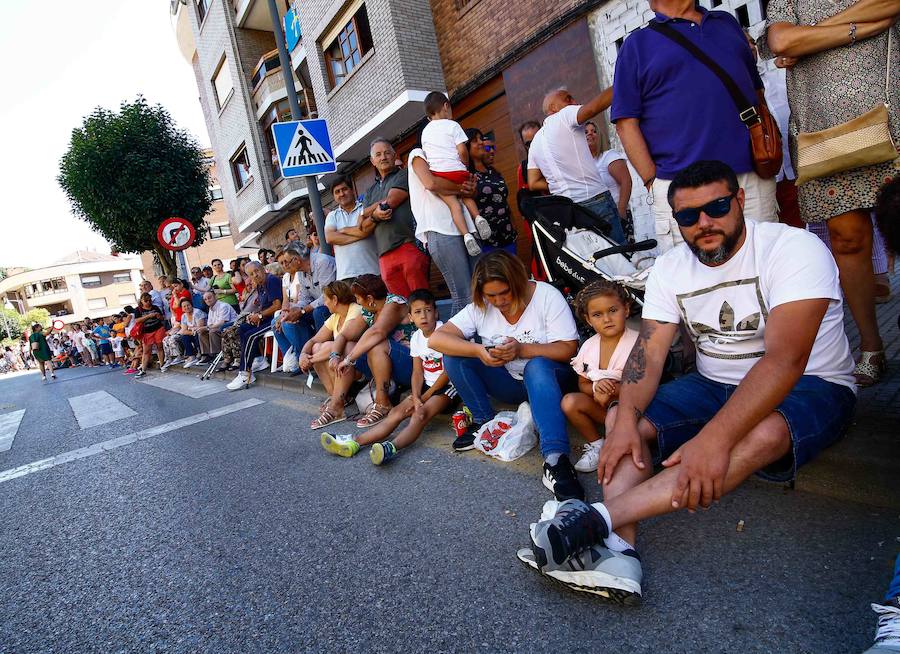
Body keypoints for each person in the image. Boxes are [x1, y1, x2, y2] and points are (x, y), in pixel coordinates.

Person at [518, 161, 856, 604]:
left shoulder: (793, 248)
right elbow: (649, 355)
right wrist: (623, 423)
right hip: (713, 385)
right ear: (676, 220)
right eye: (689, 216)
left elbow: (785, 361)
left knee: (764, 432)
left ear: (740, 200)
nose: (704, 223)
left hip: (812, 383)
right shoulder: (671, 267)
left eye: (717, 207)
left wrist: (714, 440)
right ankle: (619, 552)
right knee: (622, 417)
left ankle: (596, 520)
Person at [765, 1, 898, 386]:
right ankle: (871, 346)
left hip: (892, 118)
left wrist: (809, 38)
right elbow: (781, 40)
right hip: (822, 134)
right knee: (847, 239)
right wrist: (861, 28)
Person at [612, 0, 779, 254]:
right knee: (697, 275)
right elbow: (626, 123)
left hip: (749, 178)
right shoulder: (637, 45)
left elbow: (756, 92)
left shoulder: (726, 24)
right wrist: (652, 183)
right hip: (682, 188)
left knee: (765, 262)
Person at [429, 251, 582, 499]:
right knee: (454, 356)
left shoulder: (546, 296)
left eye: (505, 292)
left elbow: (568, 349)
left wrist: (522, 350)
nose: (499, 301)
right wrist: (479, 351)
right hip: (511, 382)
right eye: (491, 295)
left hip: (551, 381)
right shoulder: (481, 307)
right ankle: (484, 421)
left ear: (518, 281)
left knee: (536, 366)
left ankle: (556, 458)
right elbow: (437, 339)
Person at [320, 289, 459, 465]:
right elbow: (417, 372)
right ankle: (354, 442)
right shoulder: (416, 337)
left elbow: (448, 373)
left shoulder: (444, 332)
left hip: (447, 388)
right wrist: (416, 396)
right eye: (417, 312)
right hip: (425, 388)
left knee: (420, 415)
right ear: (410, 317)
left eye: (428, 310)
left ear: (436, 313)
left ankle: (390, 447)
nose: (423, 316)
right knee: (396, 412)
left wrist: (422, 399)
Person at [309, 274, 415, 430]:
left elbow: (377, 332)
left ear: (370, 298)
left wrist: (348, 359)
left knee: (377, 344)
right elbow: (344, 335)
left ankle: (382, 404)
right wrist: (335, 355)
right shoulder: (369, 310)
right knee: (347, 346)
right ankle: (336, 406)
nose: (357, 302)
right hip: (385, 363)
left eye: (358, 298)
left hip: (411, 364)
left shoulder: (394, 303)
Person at [527, 86, 627, 244]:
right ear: (553, 108)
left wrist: (560, 183)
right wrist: (623, 81)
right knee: (620, 254)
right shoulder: (564, 115)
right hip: (595, 201)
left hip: (566, 211)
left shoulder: (535, 142)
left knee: (592, 257)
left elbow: (533, 182)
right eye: (567, 98)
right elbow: (592, 108)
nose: (574, 101)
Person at [562, 280, 640, 473]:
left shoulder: (638, 343)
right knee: (570, 402)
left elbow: (643, 388)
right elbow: (583, 384)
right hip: (602, 408)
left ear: (626, 309)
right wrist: (596, 387)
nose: (607, 319)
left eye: (613, 310)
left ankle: (625, 446)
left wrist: (611, 390)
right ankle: (597, 444)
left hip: (634, 413)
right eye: (597, 314)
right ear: (588, 320)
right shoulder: (589, 346)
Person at [408, 144, 479, 314]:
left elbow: (468, 191)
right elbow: (431, 183)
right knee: (464, 296)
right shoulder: (417, 154)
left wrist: (468, 188)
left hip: (467, 229)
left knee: (478, 291)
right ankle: (454, 332)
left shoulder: (448, 157)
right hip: (441, 229)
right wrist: (460, 187)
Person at [420, 91, 491, 256]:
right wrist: (464, 165)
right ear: (446, 106)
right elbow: (462, 150)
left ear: (429, 116)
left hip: (440, 175)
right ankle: (478, 218)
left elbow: (427, 154)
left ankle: (466, 236)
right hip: (458, 171)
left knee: (454, 205)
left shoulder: (425, 132)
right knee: (466, 196)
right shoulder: (453, 125)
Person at [357, 138, 431, 297]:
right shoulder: (369, 191)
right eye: (378, 155)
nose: (383, 157)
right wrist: (374, 216)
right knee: (400, 305)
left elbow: (391, 201)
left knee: (422, 300)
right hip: (384, 255)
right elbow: (362, 228)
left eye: (387, 153)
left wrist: (365, 212)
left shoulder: (405, 174)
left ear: (394, 155)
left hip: (409, 246)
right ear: (372, 161)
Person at [273, 243, 335, 373]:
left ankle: (322, 358)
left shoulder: (322, 262)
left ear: (296, 260)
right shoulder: (300, 272)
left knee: (319, 312)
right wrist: (291, 312)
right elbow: (304, 298)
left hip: (332, 306)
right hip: (316, 307)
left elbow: (327, 297)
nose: (287, 265)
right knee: (285, 320)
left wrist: (301, 311)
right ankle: (304, 360)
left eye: (287, 261)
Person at [298, 281, 363, 396]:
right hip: (342, 363)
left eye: (325, 299)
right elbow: (314, 340)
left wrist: (310, 360)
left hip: (358, 364)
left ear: (334, 299)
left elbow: (342, 343)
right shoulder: (335, 316)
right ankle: (333, 396)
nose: (324, 303)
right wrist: (303, 355)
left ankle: (339, 397)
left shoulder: (355, 310)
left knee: (329, 346)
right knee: (316, 347)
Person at [226, 261, 283, 390]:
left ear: (262, 269)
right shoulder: (260, 285)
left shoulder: (271, 280)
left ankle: (245, 373)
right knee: (243, 328)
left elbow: (277, 305)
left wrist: (260, 316)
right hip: (265, 318)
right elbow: (263, 306)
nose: (255, 275)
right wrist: (254, 315)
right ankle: (258, 359)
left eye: (256, 271)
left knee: (251, 336)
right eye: (251, 274)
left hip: (275, 318)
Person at [466, 128, 519, 255]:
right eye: (475, 140)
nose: (481, 142)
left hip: (508, 235)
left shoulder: (493, 172)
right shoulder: (468, 176)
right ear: (466, 147)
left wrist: (514, 224)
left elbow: (503, 201)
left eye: (481, 139)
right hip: (488, 242)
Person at [585, 121, 635, 243]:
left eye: (594, 131)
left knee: (624, 251)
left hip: (616, 213)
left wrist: (621, 211)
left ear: (600, 136)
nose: (590, 134)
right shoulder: (584, 165)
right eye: (585, 132)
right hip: (597, 219)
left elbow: (626, 181)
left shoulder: (608, 156)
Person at [324, 176, 380, 282]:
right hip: (346, 276)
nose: (341, 194)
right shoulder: (332, 215)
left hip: (372, 271)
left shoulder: (365, 209)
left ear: (352, 190)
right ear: (334, 197)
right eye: (337, 192)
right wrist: (361, 234)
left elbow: (368, 229)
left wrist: (344, 230)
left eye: (344, 189)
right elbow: (330, 238)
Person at [133, 292, 167, 378]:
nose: (148, 302)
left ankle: (162, 365)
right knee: (146, 351)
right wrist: (149, 316)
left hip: (158, 328)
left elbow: (162, 318)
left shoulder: (155, 307)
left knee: (160, 347)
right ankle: (143, 370)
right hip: (147, 332)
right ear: (141, 301)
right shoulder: (138, 309)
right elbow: (137, 320)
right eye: (146, 301)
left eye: (149, 300)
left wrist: (159, 317)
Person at [197, 290, 237, 362]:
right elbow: (210, 324)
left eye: (209, 298)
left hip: (229, 327)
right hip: (217, 328)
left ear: (215, 296)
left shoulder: (223, 306)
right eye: (205, 299)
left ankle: (219, 354)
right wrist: (204, 328)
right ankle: (207, 355)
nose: (207, 300)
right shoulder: (210, 308)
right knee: (202, 332)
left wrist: (207, 327)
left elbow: (222, 322)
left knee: (212, 331)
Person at [177, 297, 206, 368]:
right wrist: (192, 332)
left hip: (204, 331)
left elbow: (200, 327)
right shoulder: (184, 316)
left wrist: (190, 330)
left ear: (191, 305)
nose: (186, 307)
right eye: (184, 306)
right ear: (182, 308)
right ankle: (192, 356)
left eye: (188, 305)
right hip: (193, 333)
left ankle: (202, 354)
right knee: (184, 337)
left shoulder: (197, 312)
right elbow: (183, 331)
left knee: (197, 333)